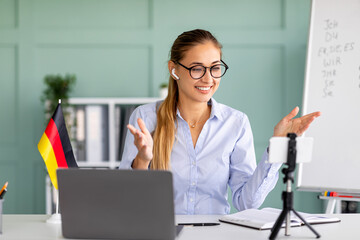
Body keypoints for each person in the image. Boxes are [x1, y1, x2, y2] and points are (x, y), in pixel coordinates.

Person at [119, 29, 321, 215]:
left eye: (215, 68)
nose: (208, 79)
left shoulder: (236, 123)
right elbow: (129, 200)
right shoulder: (146, 118)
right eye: (197, 69)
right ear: (174, 70)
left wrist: (277, 147)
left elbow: (246, 203)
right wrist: (143, 159)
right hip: (162, 233)